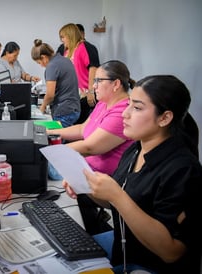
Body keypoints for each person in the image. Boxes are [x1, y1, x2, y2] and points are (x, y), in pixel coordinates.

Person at [63, 75, 202, 273]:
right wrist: (86, 187)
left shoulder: (183, 170)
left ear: (164, 118)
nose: (124, 114)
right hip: (124, 248)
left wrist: (116, 195)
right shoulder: (136, 149)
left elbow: (171, 252)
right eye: (128, 105)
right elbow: (115, 202)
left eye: (136, 108)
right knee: (62, 252)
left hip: (148, 266)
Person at [47, 60, 135, 234]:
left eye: (97, 81)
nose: (92, 86)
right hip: (86, 171)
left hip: (103, 180)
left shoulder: (121, 111)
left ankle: (94, 233)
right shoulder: (103, 103)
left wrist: (53, 152)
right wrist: (50, 132)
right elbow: (82, 129)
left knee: (49, 179)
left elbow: (90, 147)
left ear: (116, 84)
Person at [31, 39, 80, 127]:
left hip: (64, 111)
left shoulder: (52, 66)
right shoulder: (65, 60)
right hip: (74, 108)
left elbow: (50, 95)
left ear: (43, 57)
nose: (41, 65)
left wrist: (42, 108)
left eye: (39, 63)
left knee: (56, 138)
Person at [58, 23, 100, 124]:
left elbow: (93, 68)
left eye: (63, 37)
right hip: (72, 94)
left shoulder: (84, 47)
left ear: (70, 35)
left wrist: (90, 92)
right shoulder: (66, 50)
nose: (62, 40)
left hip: (84, 94)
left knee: (80, 123)